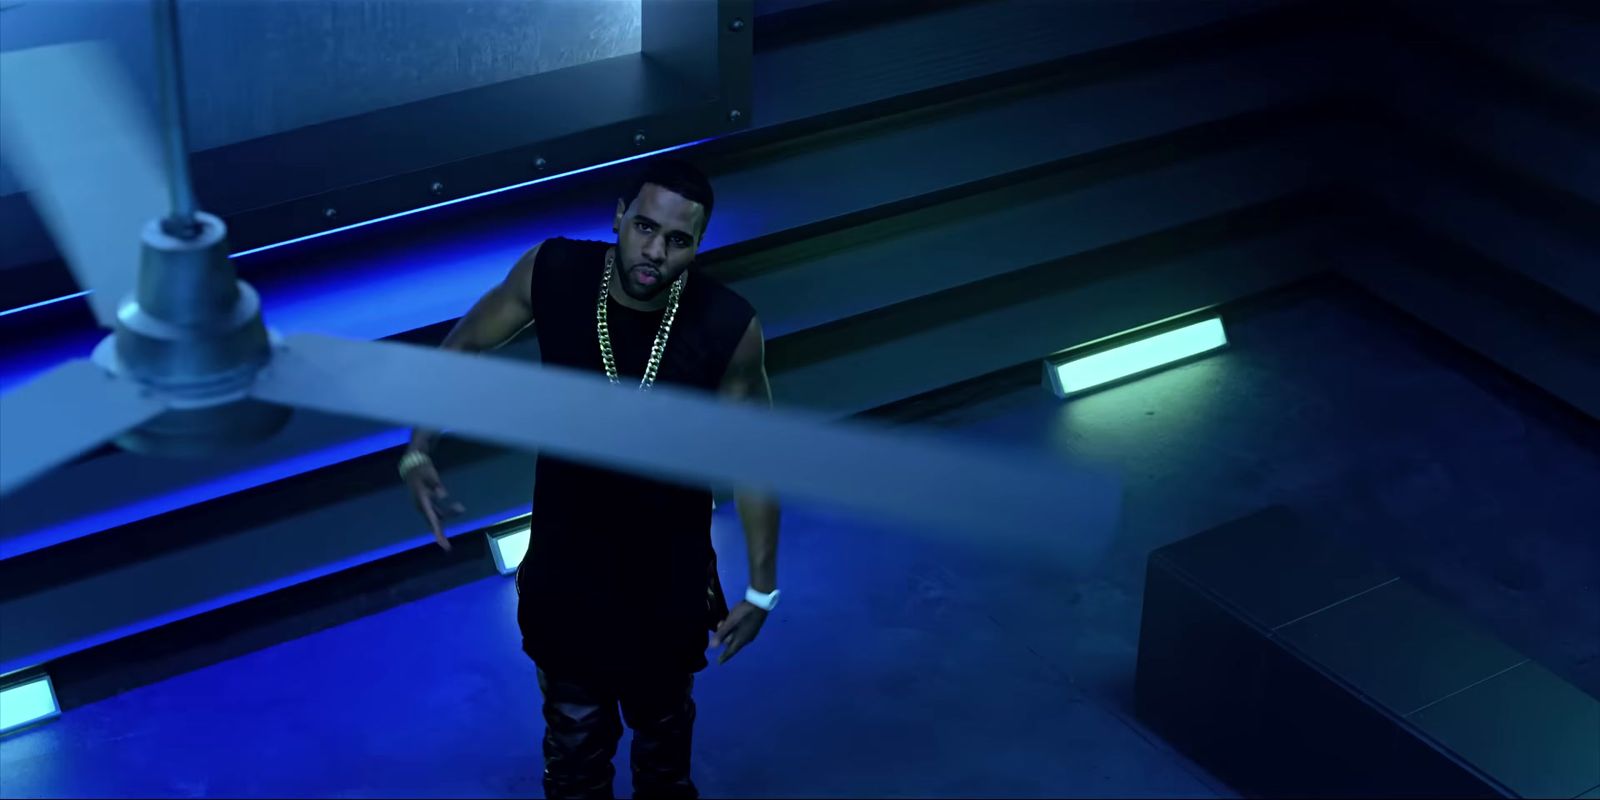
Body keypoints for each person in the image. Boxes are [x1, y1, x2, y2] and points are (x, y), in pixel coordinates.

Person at [396, 158, 782, 799]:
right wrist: (419, 446)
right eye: (644, 228)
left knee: (663, 754)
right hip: (566, 565)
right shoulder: (555, 271)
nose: (655, 251)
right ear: (618, 218)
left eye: (678, 240)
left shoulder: (726, 325)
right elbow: (465, 345)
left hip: (669, 576)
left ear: (698, 245)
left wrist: (763, 589)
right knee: (574, 754)